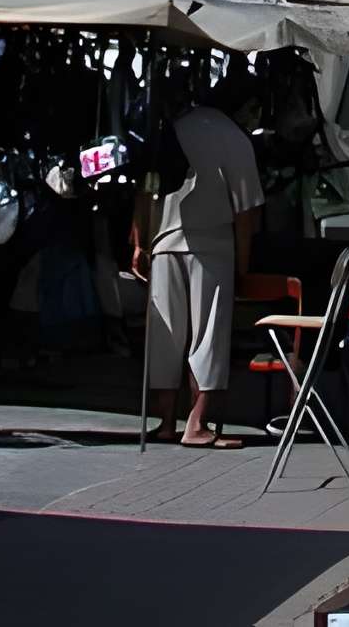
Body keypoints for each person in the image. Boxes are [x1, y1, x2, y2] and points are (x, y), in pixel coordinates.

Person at [130, 89, 264, 447]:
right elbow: (246, 213)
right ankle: (197, 422)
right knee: (208, 335)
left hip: (163, 243)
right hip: (212, 247)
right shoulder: (235, 139)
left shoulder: (173, 128)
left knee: (166, 335)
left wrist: (140, 242)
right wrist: (243, 268)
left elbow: (145, 190)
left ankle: (166, 423)